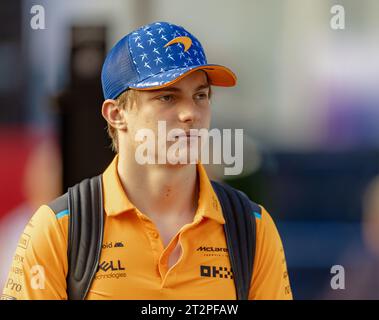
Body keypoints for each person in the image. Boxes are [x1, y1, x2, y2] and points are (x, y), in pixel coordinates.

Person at [1, 21, 292, 300]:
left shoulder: (251, 227)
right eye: (167, 97)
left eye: (201, 95)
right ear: (116, 114)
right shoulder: (59, 228)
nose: (191, 113)